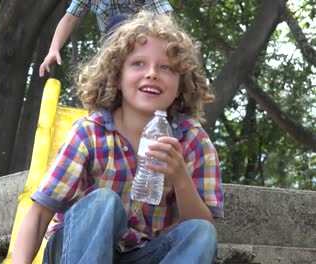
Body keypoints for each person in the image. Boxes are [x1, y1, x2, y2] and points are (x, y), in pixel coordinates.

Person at [13, 10, 224, 264]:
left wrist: (180, 177)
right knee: (103, 202)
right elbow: (38, 216)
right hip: (75, 250)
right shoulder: (89, 132)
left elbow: (203, 235)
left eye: (166, 67)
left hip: (143, 253)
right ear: (117, 76)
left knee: (201, 231)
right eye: (138, 64)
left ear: (181, 84)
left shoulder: (193, 141)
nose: (152, 73)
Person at [38, 0, 173, 77]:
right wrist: (53, 49)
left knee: (123, 20)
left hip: (141, 44)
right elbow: (69, 19)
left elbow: (164, 17)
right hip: (111, 46)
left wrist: (171, 45)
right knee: (117, 23)